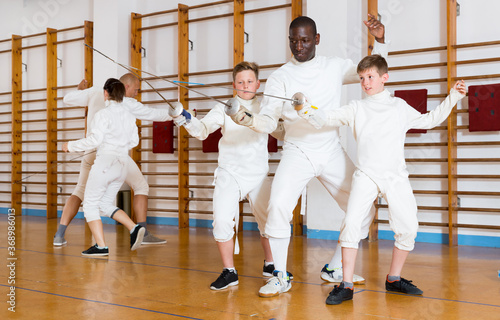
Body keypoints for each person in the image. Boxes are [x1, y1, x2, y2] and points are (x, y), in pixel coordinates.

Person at [228, 15, 387, 297]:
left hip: (330, 147)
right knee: (277, 206)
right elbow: (267, 120)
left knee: (364, 205)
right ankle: (279, 275)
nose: (298, 46)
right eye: (293, 41)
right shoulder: (280, 77)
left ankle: (335, 267)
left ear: (316, 39)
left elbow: (371, 71)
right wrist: (247, 118)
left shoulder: (334, 66)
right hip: (297, 149)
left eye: (304, 40)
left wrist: (381, 40)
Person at [296, 55, 466, 304]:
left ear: (384, 78)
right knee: (352, 224)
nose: (365, 82)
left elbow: (429, 120)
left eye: (370, 77)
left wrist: (454, 96)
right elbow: (325, 118)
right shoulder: (356, 108)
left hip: (395, 176)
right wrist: (305, 108)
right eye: (362, 78)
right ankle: (346, 285)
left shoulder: (399, 106)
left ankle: (394, 279)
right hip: (365, 175)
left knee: (408, 227)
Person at [174, 61, 286, 290]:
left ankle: (270, 264)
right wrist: (186, 119)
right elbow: (202, 131)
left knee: (270, 221)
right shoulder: (224, 108)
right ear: (234, 84)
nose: (245, 86)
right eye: (241, 82)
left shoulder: (266, 107)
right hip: (230, 172)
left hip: (258, 174)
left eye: (250, 81)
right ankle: (229, 271)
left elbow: (279, 130)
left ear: (258, 83)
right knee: (223, 220)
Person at [53, 73, 170, 246]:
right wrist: (179, 114)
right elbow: (153, 115)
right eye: (136, 89)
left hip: (91, 151)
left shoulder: (94, 92)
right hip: (113, 158)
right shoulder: (128, 105)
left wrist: (81, 92)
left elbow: (68, 98)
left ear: (106, 93)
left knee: (81, 191)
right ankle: (140, 231)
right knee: (138, 187)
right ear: (126, 88)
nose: (136, 93)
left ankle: (60, 235)